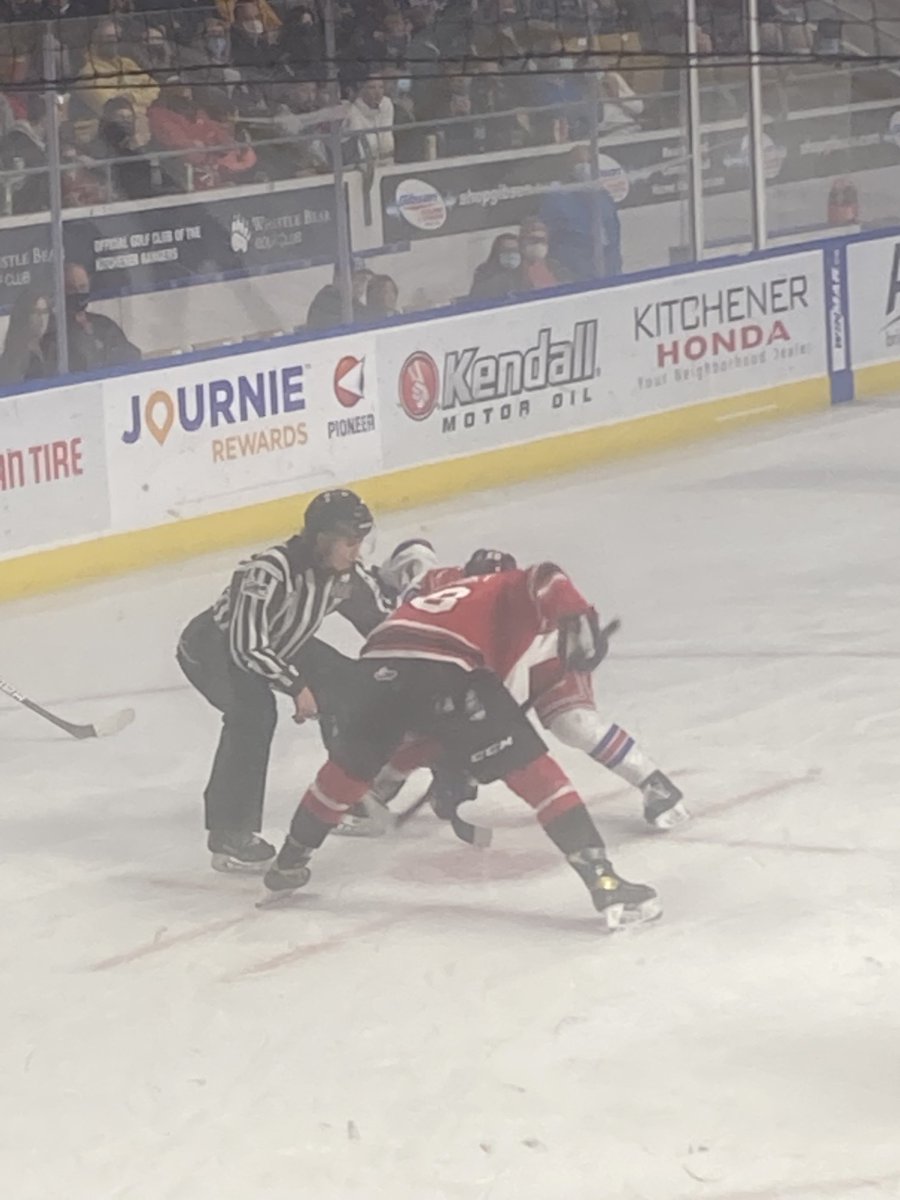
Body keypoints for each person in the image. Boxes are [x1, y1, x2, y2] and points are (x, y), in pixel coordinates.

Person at [262, 556, 662, 929]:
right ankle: (605, 882)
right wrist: (579, 618)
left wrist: (442, 750)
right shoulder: (508, 587)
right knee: (537, 775)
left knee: (345, 772)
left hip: (376, 667)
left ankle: (290, 861)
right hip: (446, 670)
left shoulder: (440, 596)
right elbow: (547, 575)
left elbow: (422, 723)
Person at [339, 541, 688, 836]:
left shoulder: (521, 598)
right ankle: (382, 787)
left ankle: (653, 781)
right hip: (467, 660)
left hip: (548, 656)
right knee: (424, 714)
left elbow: (553, 582)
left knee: (573, 724)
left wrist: (581, 621)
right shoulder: (434, 587)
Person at [176, 489, 392, 872]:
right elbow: (246, 646)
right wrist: (296, 686)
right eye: (349, 542)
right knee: (252, 715)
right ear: (323, 538)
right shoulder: (268, 571)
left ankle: (346, 790)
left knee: (350, 687)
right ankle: (230, 833)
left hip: (280, 642)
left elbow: (383, 625)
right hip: (214, 650)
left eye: (359, 542)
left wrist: (424, 657)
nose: (356, 552)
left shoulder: (346, 575)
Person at [540, 144, 622, 282]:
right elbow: (550, 238)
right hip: (575, 271)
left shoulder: (603, 195)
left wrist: (615, 264)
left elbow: (614, 230)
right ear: (569, 167)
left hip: (608, 267)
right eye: (579, 163)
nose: (585, 167)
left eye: (588, 162)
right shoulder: (556, 198)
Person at [41, 263, 141, 375]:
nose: (78, 293)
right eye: (71, 289)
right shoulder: (54, 331)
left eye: (82, 287)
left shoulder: (104, 324)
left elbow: (132, 356)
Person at [0, 289, 51, 386]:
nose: (41, 318)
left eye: (45, 312)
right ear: (24, 316)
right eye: (35, 312)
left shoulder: (52, 349)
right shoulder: (18, 358)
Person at [468, 233, 525, 301]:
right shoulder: (484, 272)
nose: (511, 254)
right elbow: (476, 298)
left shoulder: (524, 271)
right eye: (505, 250)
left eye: (515, 250)